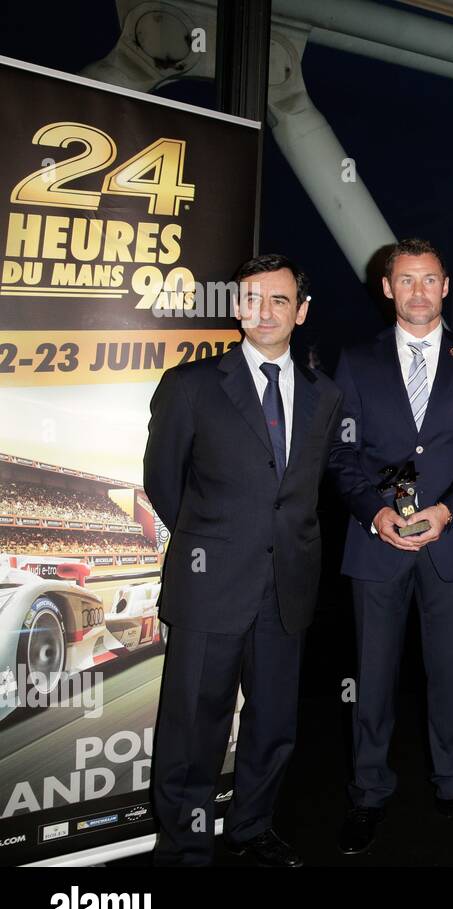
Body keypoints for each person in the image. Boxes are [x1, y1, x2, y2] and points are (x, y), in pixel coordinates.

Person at [144, 254, 342, 866]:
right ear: (236, 307)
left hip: (287, 588)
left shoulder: (323, 396)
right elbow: (162, 483)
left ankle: (251, 827)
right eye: (254, 298)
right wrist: (215, 544)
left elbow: (307, 490)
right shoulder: (191, 386)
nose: (266, 311)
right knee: (192, 730)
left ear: (301, 312)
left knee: (275, 722)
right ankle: (185, 847)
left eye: (281, 300)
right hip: (211, 587)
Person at [330, 238, 453, 852]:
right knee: (371, 677)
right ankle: (368, 794)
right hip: (375, 544)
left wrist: (449, 511)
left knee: (449, 673)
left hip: (449, 543)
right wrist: (375, 511)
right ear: (387, 288)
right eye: (406, 280)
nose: (418, 291)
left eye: (429, 279)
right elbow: (341, 452)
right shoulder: (355, 360)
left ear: (446, 285)